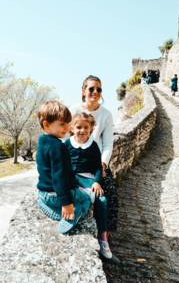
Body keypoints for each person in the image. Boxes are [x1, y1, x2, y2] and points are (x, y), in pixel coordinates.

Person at [70, 75, 118, 233]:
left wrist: (103, 163)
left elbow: (108, 144)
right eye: (91, 88)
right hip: (75, 161)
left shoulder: (106, 115)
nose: (95, 92)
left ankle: (106, 236)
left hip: (97, 163)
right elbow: (65, 137)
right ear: (84, 91)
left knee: (110, 192)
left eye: (99, 89)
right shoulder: (74, 110)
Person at [36, 100, 91, 234]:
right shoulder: (58, 147)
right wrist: (66, 203)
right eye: (61, 124)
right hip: (57, 196)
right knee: (86, 199)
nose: (66, 128)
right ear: (46, 125)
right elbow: (59, 178)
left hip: (44, 194)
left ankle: (45, 205)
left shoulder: (42, 141)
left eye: (67, 123)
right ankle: (69, 217)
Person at [65, 112, 112, 259]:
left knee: (102, 200)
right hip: (71, 178)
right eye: (78, 127)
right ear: (72, 128)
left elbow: (98, 167)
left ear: (91, 129)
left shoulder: (93, 146)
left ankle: (103, 237)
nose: (82, 130)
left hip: (88, 179)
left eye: (86, 127)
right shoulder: (67, 144)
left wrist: (97, 182)